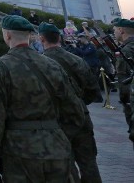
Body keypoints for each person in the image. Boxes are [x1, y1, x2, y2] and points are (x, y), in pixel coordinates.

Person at [0, 15, 85, 182]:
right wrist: (58, 135)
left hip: (19, 151)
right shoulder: (52, 64)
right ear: (30, 36)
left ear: (7, 35)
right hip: (56, 147)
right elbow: (75, 110)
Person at [40, 22, 102, 182]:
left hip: (58, 121)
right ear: (60, 38)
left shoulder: (40, 64)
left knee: (66, 167)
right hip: (82, 117)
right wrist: (79, 102)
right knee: (89, 163)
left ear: (41, 39)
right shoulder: (76, 59)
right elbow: (93, 90)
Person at [113, 18, 134, 134]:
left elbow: (124, 80)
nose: (114, 33)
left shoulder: (125, 51)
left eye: (115, 30)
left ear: (121, 30)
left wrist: (124, 100)